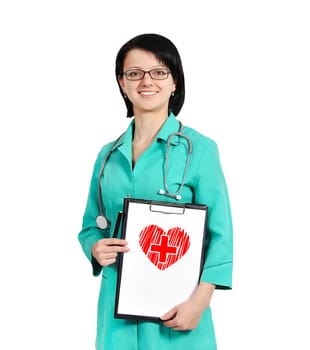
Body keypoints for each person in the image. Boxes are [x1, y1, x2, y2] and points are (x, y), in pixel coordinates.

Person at [78, 33, 233, 350]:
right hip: (115, 320)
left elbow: (221, 235)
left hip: (177, 316)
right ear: (122, 83)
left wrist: (199, 304)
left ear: (175, 81)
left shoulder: (199, 150)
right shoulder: (107, 156)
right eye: (134, 73)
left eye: (159, 72)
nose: (146, 81)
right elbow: (91, 226)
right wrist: (95, 247)